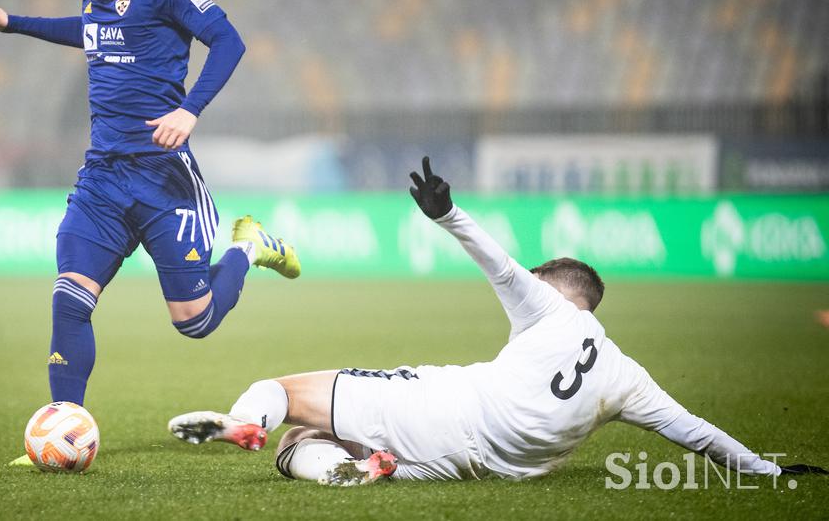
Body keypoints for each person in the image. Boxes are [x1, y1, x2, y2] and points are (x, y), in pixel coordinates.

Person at [167, 157, 825, 486]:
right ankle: (354, 469)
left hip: (439, 406)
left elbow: (502, 266)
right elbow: (693, 431)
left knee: (284, 395)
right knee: (299, 451)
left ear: (554, 287)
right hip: (468, 466)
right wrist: (768, 472)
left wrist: (446, 215)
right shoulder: (628, 378)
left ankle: (245, 421)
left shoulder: (545, 306)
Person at [0, 0, 300, 435]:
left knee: (196, 322)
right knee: (69, 299)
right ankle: (63, 428)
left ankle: (249, 245)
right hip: (102, 181)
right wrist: (11, 23)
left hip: (165, 179)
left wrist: (189, 111)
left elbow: (229, 41)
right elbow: (90, 30)